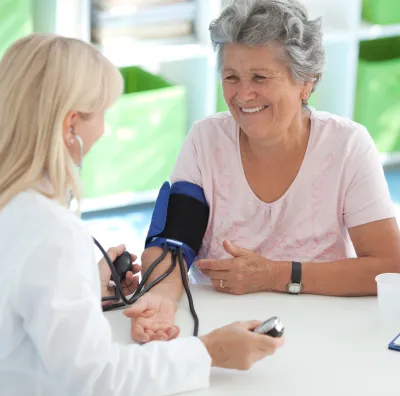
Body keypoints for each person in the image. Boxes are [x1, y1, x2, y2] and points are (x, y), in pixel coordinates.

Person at [0, 33, 284, 396]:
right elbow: (95, 380)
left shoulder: (19, 209)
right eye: (102, 113)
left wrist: (81, 284)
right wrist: (211, 351)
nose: (104, 128)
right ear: (71, 125)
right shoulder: (52, 232)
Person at [127, 0, 400, 343]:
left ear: (306, 82)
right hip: (221, 329)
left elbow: (388, 267)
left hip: (325, 328)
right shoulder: (205, 140)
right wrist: (161, 300)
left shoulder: (347, 146)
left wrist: (275, 275)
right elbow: (174, 245)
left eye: (260, 77)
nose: (243, 94)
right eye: (231, 77)